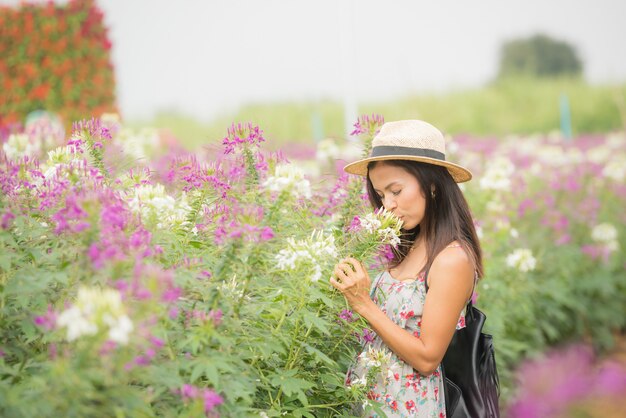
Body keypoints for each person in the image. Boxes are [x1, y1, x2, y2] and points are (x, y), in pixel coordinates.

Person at [330, 119, 482, 417]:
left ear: (434, 185)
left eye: (396, 191)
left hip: (408, 408)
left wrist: (363, 303)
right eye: (381, 195)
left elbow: (427, 358)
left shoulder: (452, 259)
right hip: (373, 401)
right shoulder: (408, 248)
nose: (388, 205)